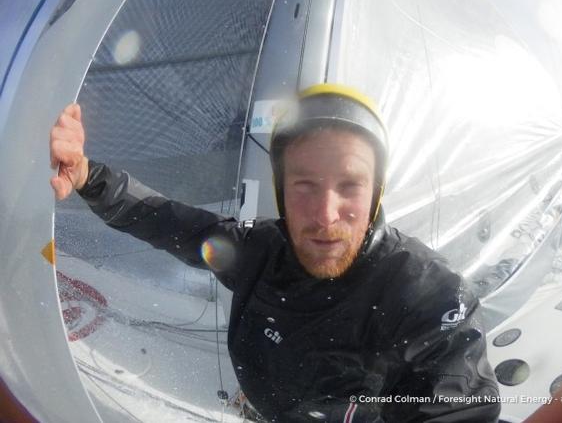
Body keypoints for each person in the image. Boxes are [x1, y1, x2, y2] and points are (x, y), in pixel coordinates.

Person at [49, 84, 501, 422]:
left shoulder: (429, 296)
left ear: (376, 193)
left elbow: (458, 408)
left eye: (349, 186)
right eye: (304, 185)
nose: (325, 215)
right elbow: (168, 221)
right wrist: (90, 177)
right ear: (282, 193)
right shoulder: (258, 249)